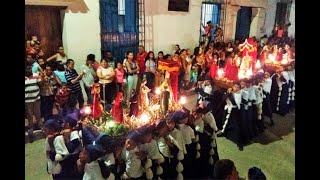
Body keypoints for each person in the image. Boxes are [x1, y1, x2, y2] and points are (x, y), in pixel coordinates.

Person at [25, 65, 42, 143]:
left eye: (30, 68)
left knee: (38, 114)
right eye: (28, 69)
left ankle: (41, 128)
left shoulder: (35, 75)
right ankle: (30, 130)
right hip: (28, 100)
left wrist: (42, 78)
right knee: (29, 115)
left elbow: (40, 85)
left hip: (36, 98)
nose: (30, 70)